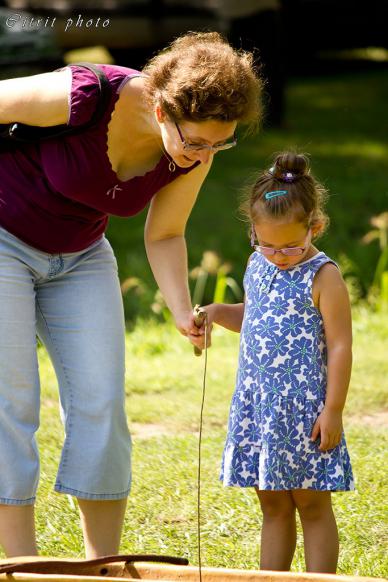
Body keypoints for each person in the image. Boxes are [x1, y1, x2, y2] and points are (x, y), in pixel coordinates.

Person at [0, 32, 262, 557]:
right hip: (4, 237)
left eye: (220, 143)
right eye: (197, 142)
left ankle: (104, 563)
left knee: (102, 401)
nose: (205, 155)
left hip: (81, 254)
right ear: (163, 109)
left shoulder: (194, 154)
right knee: (13, 402)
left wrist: (182, 307)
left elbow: (165, 233)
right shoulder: (86, 95)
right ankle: (19, 563)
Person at [203, 152, 354, 573]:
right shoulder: (258, 264)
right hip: (261, 407)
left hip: (304, 411)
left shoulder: (324, 277)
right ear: (253, 232)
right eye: (266, 244)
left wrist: (334, 409)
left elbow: (341, 345)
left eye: (290, 245)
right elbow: (252, 316)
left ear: (315, 228)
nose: (278, 255)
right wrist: (217, 311)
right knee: (271, 501)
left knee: (310, 502)